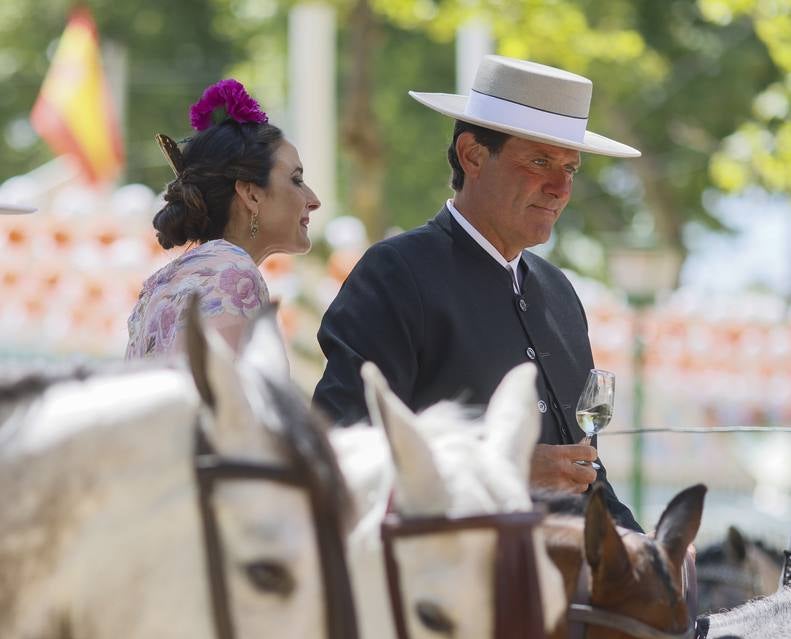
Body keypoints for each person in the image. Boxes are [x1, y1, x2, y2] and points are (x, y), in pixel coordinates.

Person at [313, 56, 641, 530]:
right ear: (472, 155)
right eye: (540, 162)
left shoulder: (560, 293)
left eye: (571, 168)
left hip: (568, 584)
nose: (560, 187)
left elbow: (586, 476)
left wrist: (654, 553)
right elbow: (344, 449)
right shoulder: (395, 274)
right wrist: (505, 469)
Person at [126, 79, 320, 360]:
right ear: (251, 194)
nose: (313, 200)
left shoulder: (164, 280)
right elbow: (229, 400)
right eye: (297, 179)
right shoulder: (236, 273)